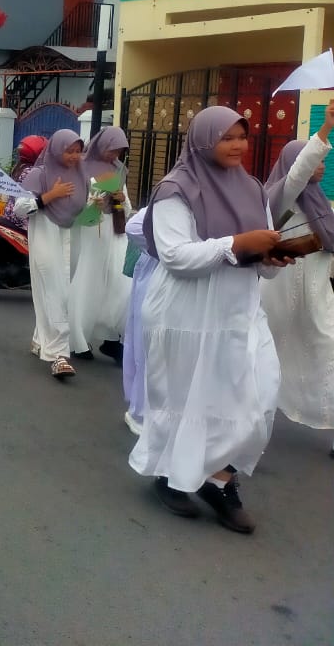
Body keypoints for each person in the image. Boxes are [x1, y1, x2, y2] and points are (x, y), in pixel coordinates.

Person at [130, 106, 286, 534]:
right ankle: (171, 476)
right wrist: (237, 242)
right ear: (202, 140)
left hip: (239, 308)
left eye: (242, 136)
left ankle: (218, 477)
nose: (237, 145)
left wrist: (270, 255)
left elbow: (261, 254)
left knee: (258, 393)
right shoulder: (176, 188)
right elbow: (176, 255)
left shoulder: (253, 188)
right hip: (186, 308)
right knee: (184, 397)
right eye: (227, 137)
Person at [261, 103, 334, 456]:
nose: (321, 165)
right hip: (280, 287)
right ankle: (254, 416)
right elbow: (296, 177)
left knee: (326, 347)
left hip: (317, 290)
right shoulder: (279, 196)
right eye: (313, 159)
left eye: (320, 159)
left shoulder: (321, 202)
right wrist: (325, 131)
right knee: (269, 351)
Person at [15, 129, 89, 380]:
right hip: (45, 235)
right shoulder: (40, 174)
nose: (74, 156)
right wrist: (49, 196)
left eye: (78, 151)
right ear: (57, 149)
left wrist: (94, 206)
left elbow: (78, 205)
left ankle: (39, 339)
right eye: (70, 150)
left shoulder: (80, 176)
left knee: (59, 292)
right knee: (54, 290)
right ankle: (59, 355)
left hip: (68, 237)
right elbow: (20, 208)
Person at [70, 126, 132, 365]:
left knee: (117, 282)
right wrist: (91, 203)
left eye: (118, 150)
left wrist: (121, 200)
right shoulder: (82, 167)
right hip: (89, 229)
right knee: (88, 281)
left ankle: (112, 338)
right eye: (111, 149)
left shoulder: (118, 170)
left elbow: (127, 206)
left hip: (114, 230)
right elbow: (74, 201)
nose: (114, 155)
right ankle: (79, 340)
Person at [122, 207, 156, 436]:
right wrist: (173, 246)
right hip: (156, 272)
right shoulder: (174, 191)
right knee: (147, 343)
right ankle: (139, 409)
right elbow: (134, 227)